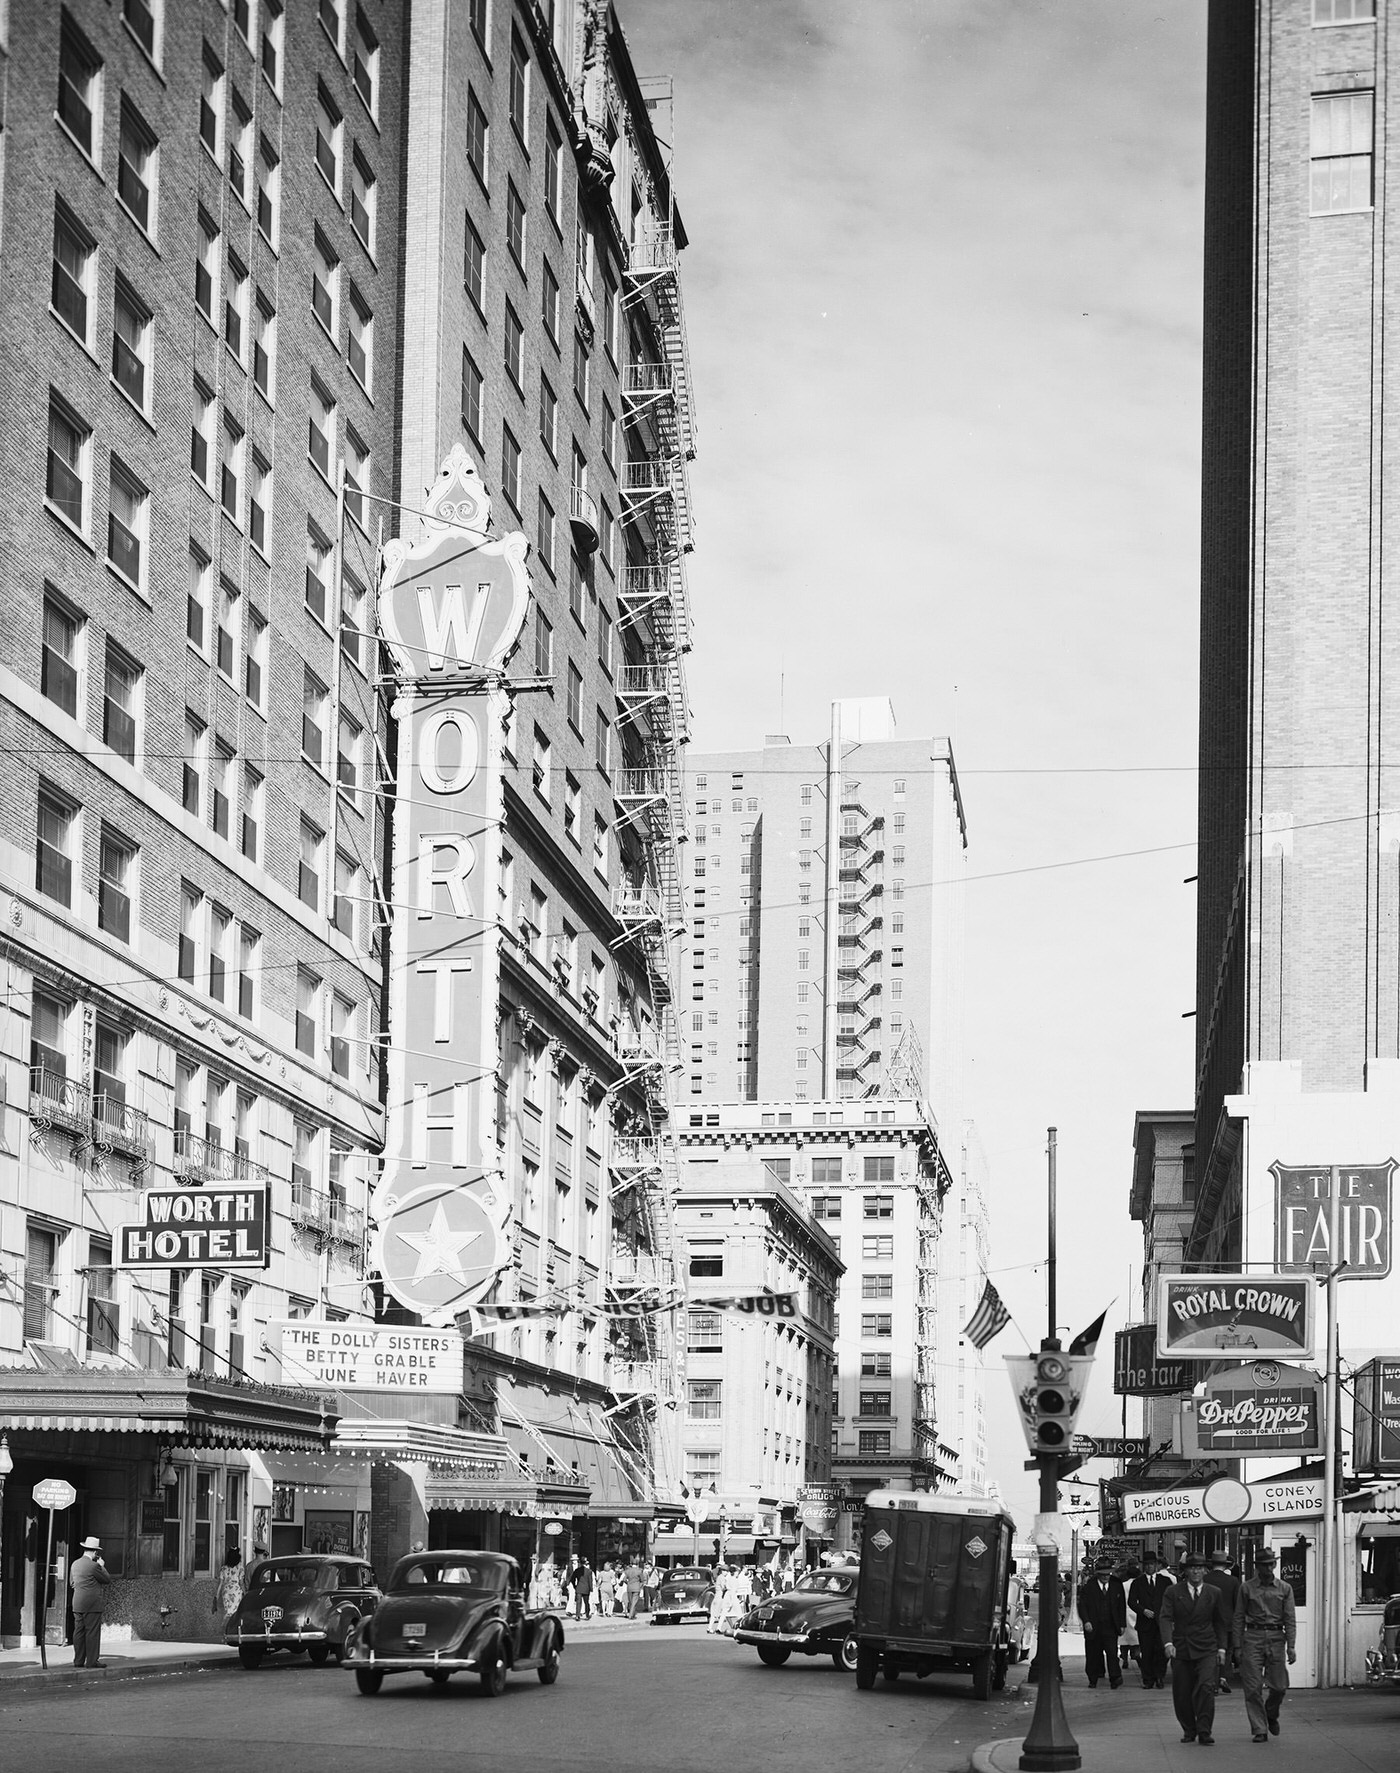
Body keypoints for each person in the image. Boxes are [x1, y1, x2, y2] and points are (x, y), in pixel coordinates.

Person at [1161, 1549, 1232, 1746]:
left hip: (1207, 1647)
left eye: (1199, 1568)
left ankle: (1204, 1730)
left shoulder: (1214, 1593)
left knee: (1206, 1687)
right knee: (1182, 1692)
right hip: (1182, 1648)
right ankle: (1189, 1729)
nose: (1195, 1572)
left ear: (1205, 1571)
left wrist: (1222, 1649)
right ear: (1185, 1571)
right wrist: (1168, 1643)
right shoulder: (1173, 1592)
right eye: (1192, 1568)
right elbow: (1165, 1618)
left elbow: (1220, 1622)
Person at [1233, 1546, 1297, 1744]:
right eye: (1264, 1565)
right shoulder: (1246, 1588)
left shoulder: (1285, 1588)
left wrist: (1291, 1646)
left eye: (1271, 1564)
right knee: (1253, 1687)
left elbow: (1290, 1618)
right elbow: (1238, 1617)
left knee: (1279, 1686)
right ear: (1257, 1567)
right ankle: (1259, 1729)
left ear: (1275, 1564)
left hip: (1277, 1637)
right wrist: (1237, 1646)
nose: (1268, 1568)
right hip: (1252, 1637)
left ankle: (1271, 1714)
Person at [1077, 1556, 1127, 1688]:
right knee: (1093, 1654)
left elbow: (1121, 1606)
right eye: (1103, 1574)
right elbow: (1082, 1606)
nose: (1106, 1577)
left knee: (1112, 1653)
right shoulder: (1089, 1587)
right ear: (1098, 1574)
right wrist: (1086, 1621)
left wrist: (1122, 1624)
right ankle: (1093, 1679)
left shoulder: (1117, 1585)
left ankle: (1115, 1678)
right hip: (1093, 1627)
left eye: (1108, 1574)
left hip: (1111, 1626)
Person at [1128, 1550, 1172, 1689]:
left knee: (1161, 1651)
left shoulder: (1165, 1581)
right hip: (1145, 1624)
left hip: (1161, 1623)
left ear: (1157, 1565)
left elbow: (1171, 1600)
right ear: (1143, 1566)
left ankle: (1159, 1676)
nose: (1149, 1567)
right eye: (1146, 1565)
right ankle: (1148, 1679)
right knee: (1146, 1652)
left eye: (1152, 1564)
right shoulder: (1138, 1582)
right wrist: (1143, 1610)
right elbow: (1131, 1602)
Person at [69, 1535, 112, 1669]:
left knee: (79, 1632)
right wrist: (102, 1566)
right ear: (94, 1552)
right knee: (92, 1632)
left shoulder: (75, 1564)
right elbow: (106, 1579)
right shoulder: (94, 1566)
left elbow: (72, 1583)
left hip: (77, 1603)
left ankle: (78, 1660)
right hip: (92, 1604)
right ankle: (92, 1661)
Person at [1204, 1550, 1242, 1693]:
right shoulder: (1233, 1581)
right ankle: (1223, 1678)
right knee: (1227, 1651)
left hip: (1210, 1622)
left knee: (1212, 1651)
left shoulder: (1205, 1579)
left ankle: (1213, 1681)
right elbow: (1238, 1604)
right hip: (1229, 1623)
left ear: (1212, 1564)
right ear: (1225, 1565)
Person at [216, 1546, 244, 1617]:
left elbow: (220, 1583)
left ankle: (226, 1626)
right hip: (236, 1592)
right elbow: (241, 1583)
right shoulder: (240, 1568)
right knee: (236, 1614)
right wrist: (245, 1592)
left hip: (226, 1592)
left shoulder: (223, 1568)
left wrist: (216, 1596)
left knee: (227, 1613)